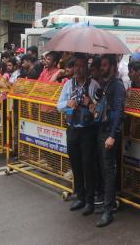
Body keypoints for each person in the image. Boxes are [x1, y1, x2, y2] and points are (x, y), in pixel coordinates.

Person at [57, 54, 100, 216]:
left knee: (88, 165)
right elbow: (58, 105)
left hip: (88, 131)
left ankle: (90, 201)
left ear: (86, 68)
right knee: (75, 165)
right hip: (72, 130)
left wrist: (91, 103)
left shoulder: (93, 85)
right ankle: (80, 197)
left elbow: (100, 108)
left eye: (82, 66)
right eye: (76, 66)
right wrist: (67, 103)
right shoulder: (68, 85)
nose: (78, 69)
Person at [94, 54, 126, 227]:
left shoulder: (118, 86)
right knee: (103, 168)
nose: (102, 68)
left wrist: (113, 135)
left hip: (109, 133)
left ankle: (109, 210)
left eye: (105, 65)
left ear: (113, 66)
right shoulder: (105, 84)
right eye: (101, 65)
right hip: (101, 130)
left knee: (108, 171)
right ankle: (109, 203)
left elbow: (119, 114)